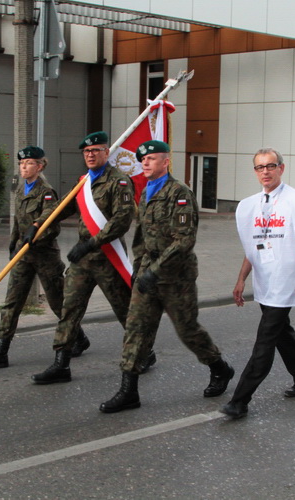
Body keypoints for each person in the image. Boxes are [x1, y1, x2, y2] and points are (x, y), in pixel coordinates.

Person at [99, 140, 235, 413]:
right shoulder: (145, 192)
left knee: (187, 330)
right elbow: (141, 237)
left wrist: (155, 271)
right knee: (136, 329)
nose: (145, 163)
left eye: (151, 158)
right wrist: (139, 268)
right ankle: (128, 391)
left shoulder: (179, 193)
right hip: (147, 275)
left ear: (165, 162)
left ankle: (219, 367)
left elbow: (183, 241)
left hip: (176, 278)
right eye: (143, 160)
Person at [31, 132, 155, 384]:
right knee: (69, 309)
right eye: (86, 151)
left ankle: (144, 353)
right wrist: (36, 226)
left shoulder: (119, 182)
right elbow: (60, 208)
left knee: (125, 311)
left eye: (95, 150)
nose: (90, 155)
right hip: (83, 260)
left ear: (106, 152)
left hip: (108, 258)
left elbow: (122, 221)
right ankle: (61, 364)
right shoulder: (83, 182)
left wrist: (91, 243)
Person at [219, 147, 295, 420]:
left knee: (265, 340)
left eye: (271, 166)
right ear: (255, 172)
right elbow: (253, 246)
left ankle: (239, 401)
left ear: (281, 168)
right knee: (282, 332)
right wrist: (241, 278)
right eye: (260, 167)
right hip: (264, 279)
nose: (266, 172)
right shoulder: (250, 205)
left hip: (286, 279)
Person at [0, 146, 89, 368]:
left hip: (45, 256)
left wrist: (34, 238)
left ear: (40, 166)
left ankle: (79, 338)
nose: (23, 167)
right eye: (21, 163)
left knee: (58, 303)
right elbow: (18, 223)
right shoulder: (20, 190)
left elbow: (51, 225)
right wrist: (13, 244)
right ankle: (1, 351)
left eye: (28, 163)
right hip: (23, 255)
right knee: (12, 302)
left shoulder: (46, 192)